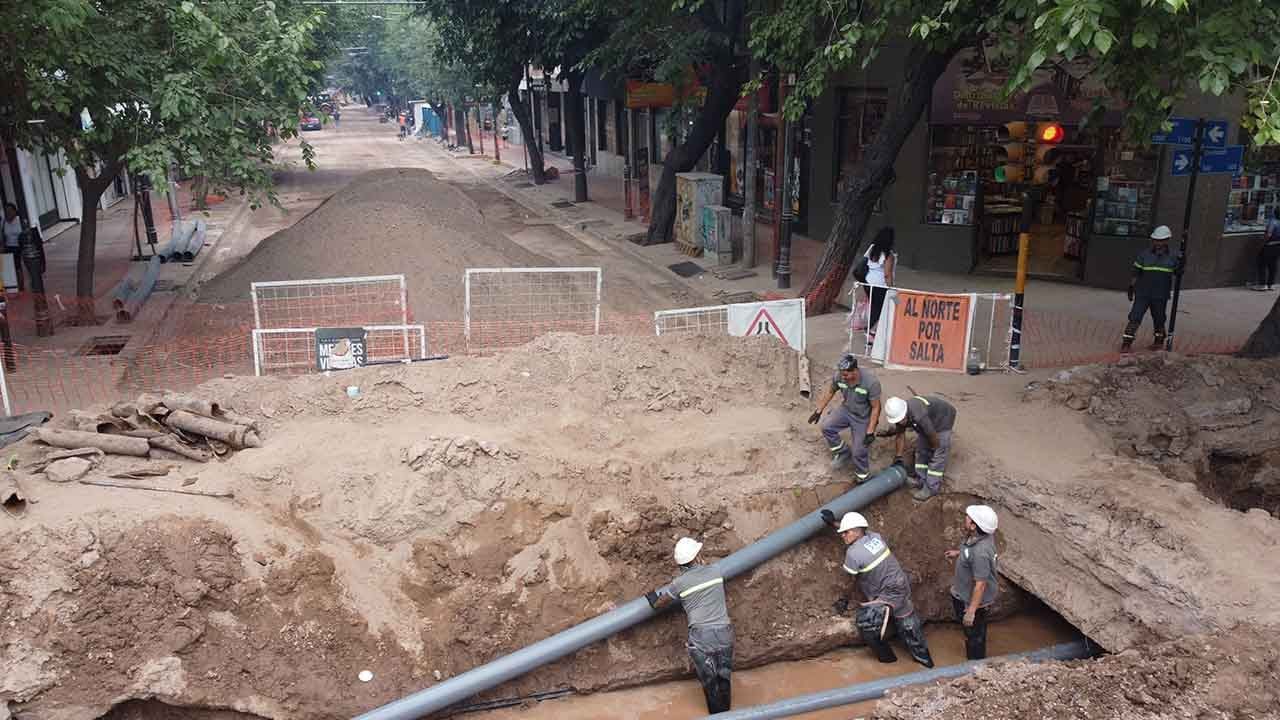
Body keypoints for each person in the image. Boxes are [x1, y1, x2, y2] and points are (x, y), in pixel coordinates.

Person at [821, 510, 933, 667]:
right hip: (901, 585)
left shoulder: (853, 554)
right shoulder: (875, 537)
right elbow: (859, 529)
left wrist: (844, 599)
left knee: (867, 626)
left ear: (855, 532)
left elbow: (850, 581)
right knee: (909, 625)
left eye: (845, 532)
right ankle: (925, 661)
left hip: (885, 595)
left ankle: (888, 661)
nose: (842, 535)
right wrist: (835, 523)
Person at [646, 537, 734, 714]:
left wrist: (652, 597)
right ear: (697, 556)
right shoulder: (716, 571)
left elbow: (658, 603)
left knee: (710, 683)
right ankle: (729, 714)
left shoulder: (679, 583)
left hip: (702, 638)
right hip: (724, 633)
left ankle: (717, 715)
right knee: (724, 677)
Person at [808, 354, 882, 483]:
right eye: (842, 374)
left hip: (862, 418)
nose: (843, 377)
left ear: (855, 371)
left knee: (858, 450)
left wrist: (870, 431)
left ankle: (863, 476)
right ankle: (843, 452)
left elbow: (876, 407)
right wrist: (818, 411)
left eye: (846, 374)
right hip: (846, 410)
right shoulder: (840, 376)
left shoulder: (871, 383)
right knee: (826, 426)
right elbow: (830, 392)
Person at [879, 394, 956, 502]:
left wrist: (934, 450)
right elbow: (900, 435)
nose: (900, 422)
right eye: (898, 421)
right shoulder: (900, 415)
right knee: (921, 450)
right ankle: (921, 480)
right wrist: (898, 457)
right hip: (928, 421)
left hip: (943, 419)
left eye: (901, 420)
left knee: (938, 454)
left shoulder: (919, 415)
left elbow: (932, 436)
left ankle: (931, 488)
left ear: (905, 412)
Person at [946, 505, 999, 660]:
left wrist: (971, 612)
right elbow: (971, 551)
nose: (966, 518)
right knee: (974, 632)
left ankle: (976, 662)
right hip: (966, 594)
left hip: (973, 602)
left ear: (974, 525)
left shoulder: (980, 553)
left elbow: (980, 585)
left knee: (975, 636)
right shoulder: (982, 537)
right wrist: (959, 553)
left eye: (968, 517)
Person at [1122, 225, 1181, 352]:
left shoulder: (1174, 257)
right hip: (1143, 293)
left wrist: (1182, 263)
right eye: (1155, 240)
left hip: (1160, 295)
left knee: (1159, 318)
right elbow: (1136, 273)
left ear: (1167, 240)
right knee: (1135, 316)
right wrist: (1131, 286)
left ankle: (1158, 342)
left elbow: (1178, 273)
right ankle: (1126, 343)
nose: (1157, 243)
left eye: (1160, 241)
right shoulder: (1144, 255)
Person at [862, 228, 897, 343]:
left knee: (875, 306)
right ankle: (870, 330)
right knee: (880, 308)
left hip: (867, 282)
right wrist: (891, 288)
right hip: (880, 285)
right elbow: (887, 274)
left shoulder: (872, 249)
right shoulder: (889, 255)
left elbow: (865, 263)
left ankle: (871, 329)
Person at [1257, 208, 1280, 291]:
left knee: (1262, 264)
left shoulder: (1273, 222)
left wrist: (1262, 244)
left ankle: (1263, 284)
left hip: (1269, 245)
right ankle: (1271, 284)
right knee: (1273, 265)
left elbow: (1268, 235)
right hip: (1278, 246)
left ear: (1274, 213)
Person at [3, 203, 25, 290]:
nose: (8, 213)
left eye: (10, 211)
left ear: (15, 211)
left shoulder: (19, 221)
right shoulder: (4, 222)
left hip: (18, 246)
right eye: (6, 211)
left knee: (17, 266)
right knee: (8, 267)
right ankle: (11, 286)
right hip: (8, 246)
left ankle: (21, 286)